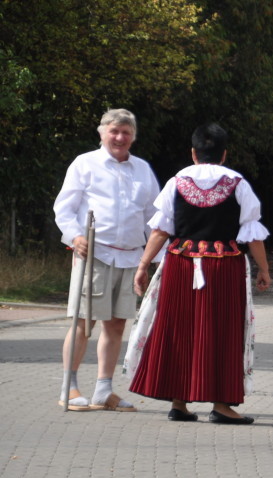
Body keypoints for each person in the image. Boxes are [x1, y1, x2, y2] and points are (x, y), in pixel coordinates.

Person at [125, 123, 272, 425]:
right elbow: (252, 233)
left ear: (193, 153)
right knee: (223, 332)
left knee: (178, 330)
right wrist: (264, 269)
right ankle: (221, 405)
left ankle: (179, 402)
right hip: (224, 267)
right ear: (224, 153)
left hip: (180, 264)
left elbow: (161, 230)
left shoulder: (176, 182)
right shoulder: (237, 183)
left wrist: (143, 265)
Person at [53, 108, 161, 412]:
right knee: (83, 321)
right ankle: (69, 387)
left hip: (130, 257)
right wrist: (75, 236)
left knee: (116, 325)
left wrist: (156, 258)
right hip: (94, 254)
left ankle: (103, 390)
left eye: (126, 132)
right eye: (114, 131)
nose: (119, 137)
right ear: (102, 133)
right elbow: (64, 207)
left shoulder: (142, 169)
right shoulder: (85, 164)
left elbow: (154, 217)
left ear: (133, 137)